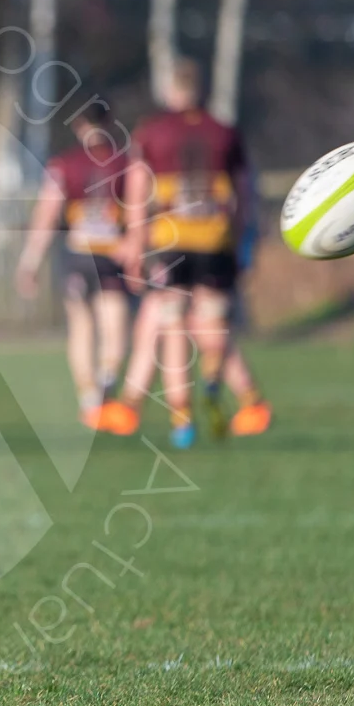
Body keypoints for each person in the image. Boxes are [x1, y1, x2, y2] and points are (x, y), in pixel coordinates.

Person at [108, 59, 270, 448]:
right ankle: (221, 387)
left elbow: (136, 191)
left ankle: (182, 419)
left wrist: (134, 241)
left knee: (172, 323)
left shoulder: (152, 132)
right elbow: (244, 193)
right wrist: (243, 238)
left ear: (170, 90)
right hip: (215, 240)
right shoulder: (225, 133)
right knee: (213, 322)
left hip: (170, 241)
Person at [15, 102, 130, 429]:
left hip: (78, 256)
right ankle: (106, 383)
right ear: (109, 123)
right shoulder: (125, 163)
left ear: (79, 126)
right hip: (112, 256)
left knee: (81, 327)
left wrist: (30, 262)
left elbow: (46, 216)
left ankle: (90, 398)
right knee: (115, 322)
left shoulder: (64, 164)